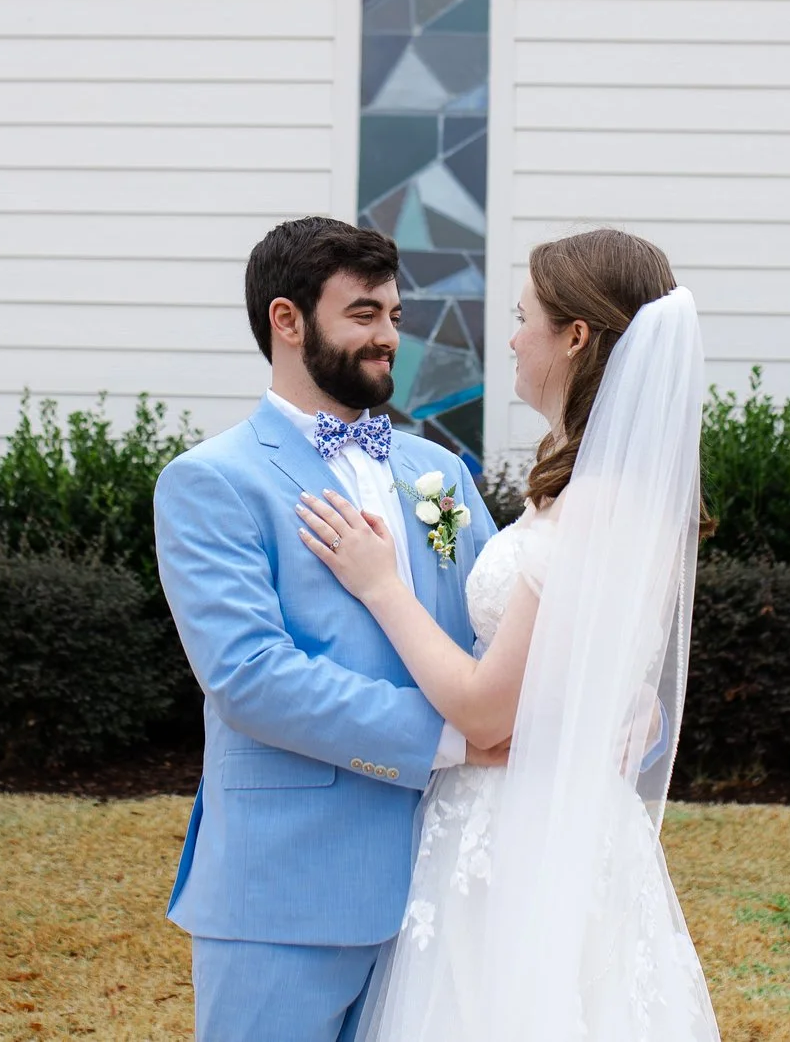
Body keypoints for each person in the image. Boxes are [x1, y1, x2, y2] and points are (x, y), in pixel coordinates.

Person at [295, 227, 720, 1041]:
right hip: (560, 818)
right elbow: (576, 657)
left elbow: (489, 712)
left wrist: (382, 584)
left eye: (525, 316)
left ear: (576, 335)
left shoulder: (592, 500)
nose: (513, 336)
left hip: (518, 833)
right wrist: (626, 699)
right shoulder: (600, 485)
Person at [153, 216, 501, 1042]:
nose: (388, 337)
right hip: (287, 891)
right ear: (287, 320)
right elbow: (251, 677)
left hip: (445, 889)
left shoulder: (439, 473)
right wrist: (456, 738)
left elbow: (497, 621)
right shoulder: (211, 482)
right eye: (364, 314)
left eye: (394, 317)